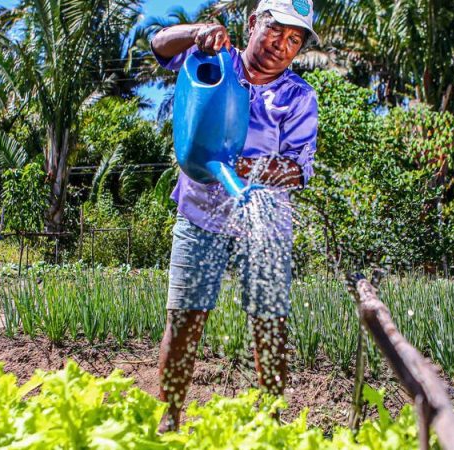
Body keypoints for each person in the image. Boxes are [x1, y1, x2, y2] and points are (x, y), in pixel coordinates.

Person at [150, 0, 320, 432]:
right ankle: (167, 422)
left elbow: (301, 169)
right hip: (200, 216)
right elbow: (158, 45)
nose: (281, 46)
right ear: (252, 24)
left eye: (294, 39)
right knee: (184, 320)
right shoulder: (212, 59)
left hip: (264, 224)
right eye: (275, 31)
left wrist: (247, 168)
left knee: (270, 325)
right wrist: (197, 31)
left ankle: (271, 424)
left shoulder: (298, 97)